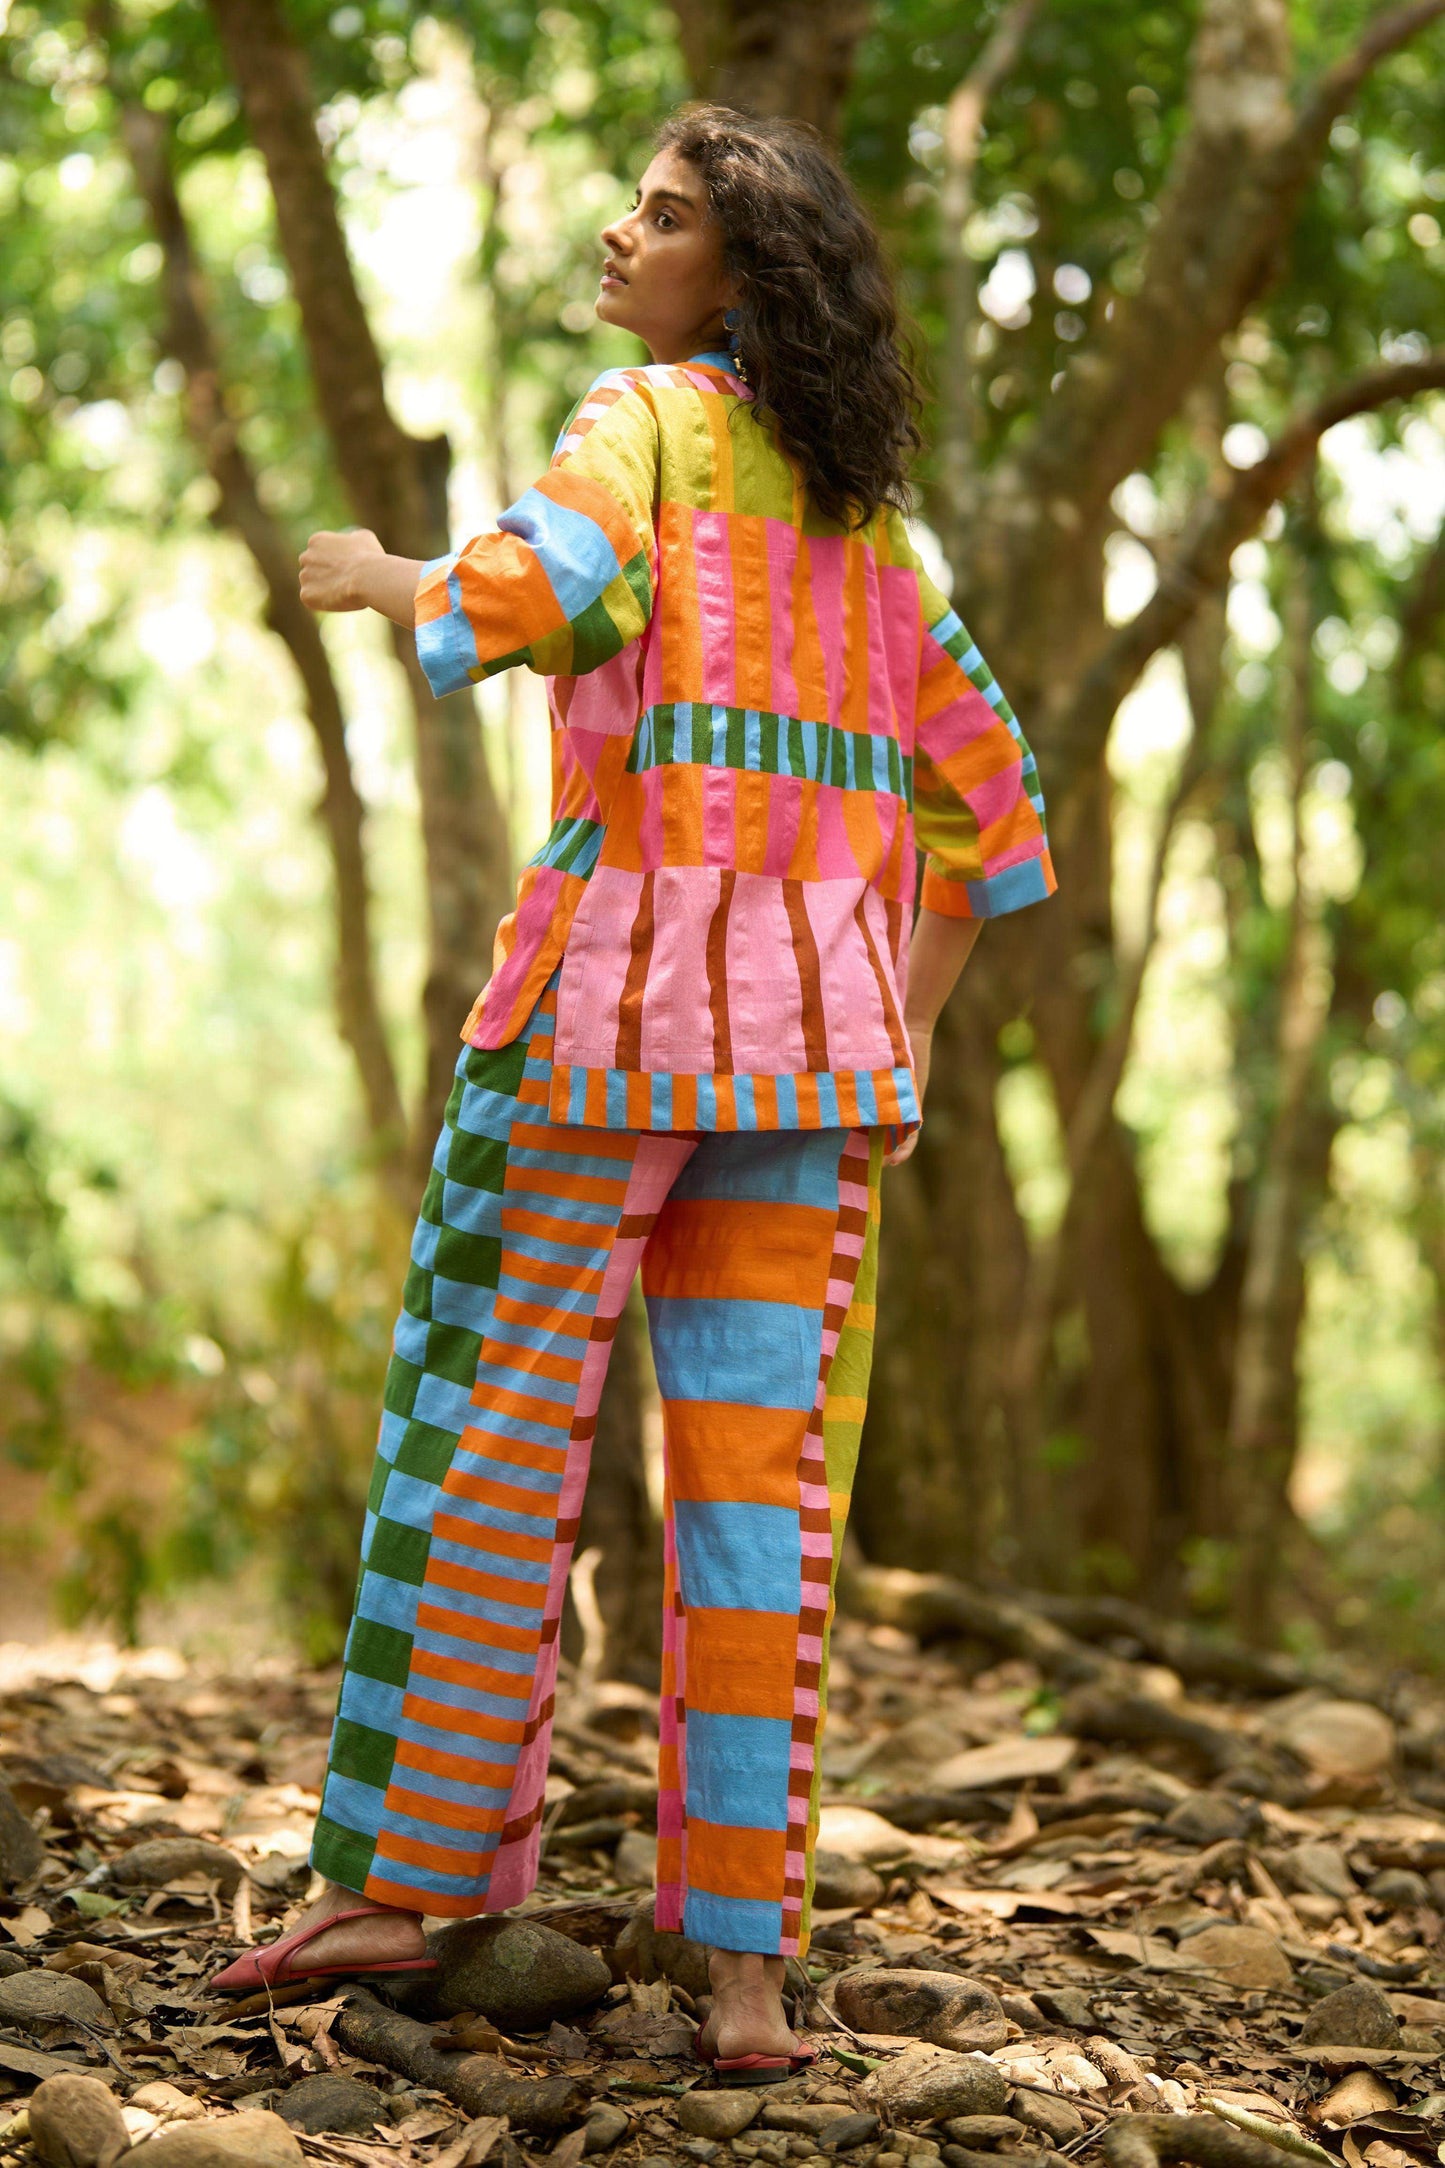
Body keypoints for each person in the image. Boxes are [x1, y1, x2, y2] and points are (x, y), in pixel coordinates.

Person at [211, 104, 1055, 2078]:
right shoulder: (874, 540)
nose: (620, 233)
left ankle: (411, 1888)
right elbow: (996, 814)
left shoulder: (643, 421)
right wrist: (910, 1023)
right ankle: (743, 1972)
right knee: (764, 1497)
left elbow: (540, 591)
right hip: (812, 1067)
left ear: (738, 276)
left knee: (490, 1441)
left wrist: (383, 572)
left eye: (664, 216)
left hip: (602, 1035)